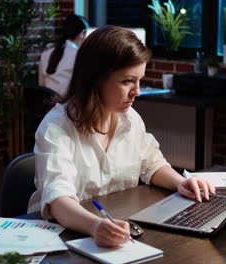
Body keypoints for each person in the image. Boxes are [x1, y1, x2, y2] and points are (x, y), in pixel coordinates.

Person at [28, 25, 215, 248]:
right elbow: (59, 201)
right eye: (127, 81)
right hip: (61, 236)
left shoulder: (130, 119)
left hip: (117, 228)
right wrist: (95, 226)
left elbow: (152, 164)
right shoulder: (56, 127)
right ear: (95, 78)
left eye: (139, 80)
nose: (136, 90)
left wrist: (181, 182)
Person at [38, 14, 89, 97]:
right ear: (82, 33)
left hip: (47, 104)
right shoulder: (80, 55)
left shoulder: (45, 54)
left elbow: (41, 84)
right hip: (68, 105)